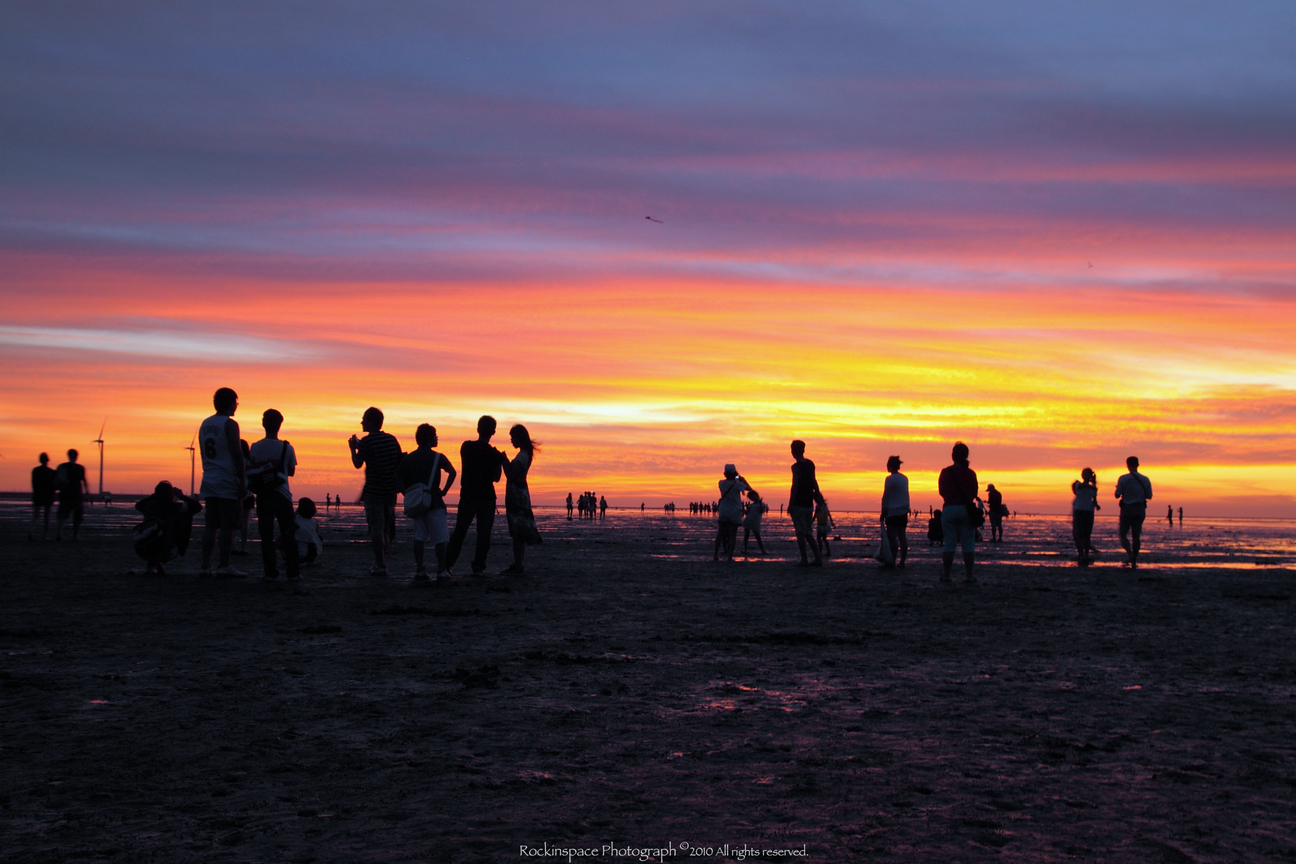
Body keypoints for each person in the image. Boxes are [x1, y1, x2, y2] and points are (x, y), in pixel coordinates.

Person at [395, 424, 457, 581]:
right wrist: (444, 490)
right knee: (441, 538)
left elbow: (397, 476)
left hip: (417, 504)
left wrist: (406, 493)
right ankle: (441, 570)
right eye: (435, 435)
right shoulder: (438, 457)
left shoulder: (410, 458)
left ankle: (420, 569)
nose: (437, 438)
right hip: (434, 501)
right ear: (429, 438)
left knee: (419, 537)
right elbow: (452, 472)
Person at [198, 388, 248, 576]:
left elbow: (203, 452)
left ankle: (206, 565)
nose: (237, 406)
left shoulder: (205, 423)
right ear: (230, 402)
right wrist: (242, 480)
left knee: (211, 524)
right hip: (226, 479)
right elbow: (237, 453)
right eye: (236, 402)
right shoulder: (230, 424)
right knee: (228, 525)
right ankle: (224, 565)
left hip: (209, 478)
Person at [446, 415, 504, 576]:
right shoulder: (494, 454)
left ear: (478, 429)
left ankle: (447, 564)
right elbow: (496, 478)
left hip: (468, 494)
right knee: (484, 534)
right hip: (486, 496)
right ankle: (478, 566)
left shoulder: (466, 447)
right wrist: (499, 460)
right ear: (493, 432)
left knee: (460, 531)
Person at [348, 406, 402, 576]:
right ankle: (381, 562)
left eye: (364, 419)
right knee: (385, 527)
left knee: (376, 528)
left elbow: (358, 463)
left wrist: (352, 448)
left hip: (374, 491)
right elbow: (398, 460)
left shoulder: (367, 441)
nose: (361, 422)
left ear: (371, 422)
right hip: (390, 490)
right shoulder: (391, 439)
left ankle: (380, 564)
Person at [248, 409, 299, 582]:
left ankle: (270, 572)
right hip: (283, 494)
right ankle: (293, 572)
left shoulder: (255, 447)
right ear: (280, 425)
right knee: (288, 534)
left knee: (266, 535)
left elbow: (253, 468)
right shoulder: (287, 447)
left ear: (263, 424)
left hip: (263, 494)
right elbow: (291, 471)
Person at [133, 481, 202, 574]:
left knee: (157, 539)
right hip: (167, 549)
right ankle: (159, 562)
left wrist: (155, 495)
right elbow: (197, 507)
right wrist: (181, 496)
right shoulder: (176, 507)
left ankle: (153, 564)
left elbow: (138, 505)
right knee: (169, 537)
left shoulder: (148, 506)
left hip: (142, 549)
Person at [500, 424, 542, 575]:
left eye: (513, 438)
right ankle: (518, 564)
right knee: (519, 531)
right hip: (520, 494)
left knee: (517, 531)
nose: (511, 441)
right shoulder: (524, 455)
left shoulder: (522, 456)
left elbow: (511, 476)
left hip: (517, 496)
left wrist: (504, 461)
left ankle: (518, 564)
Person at [938, 441, 978, 583]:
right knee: (968, 544)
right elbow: (974, 493)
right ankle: (969, 576)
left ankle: (946, 575)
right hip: (966, 510)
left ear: (953, 456)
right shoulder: (971, 473)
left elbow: (942, 491)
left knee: (949, 544)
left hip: (949, 508)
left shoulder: (946, 472)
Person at [788, 440, 823, 566]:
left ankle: (804, 559)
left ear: (793, 451)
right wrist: (818, 495)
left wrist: (791, 503)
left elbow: (795, 485)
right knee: (808, 532)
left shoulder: (795, 467)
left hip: (799, 502)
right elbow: (814, 481)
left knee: (800, 533)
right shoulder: (810, 464)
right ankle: (818, 558)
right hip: (809, 502)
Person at [1115, 456, 1153, 569]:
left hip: (1127, 508)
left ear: (1127, 465)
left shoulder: (1123, 479)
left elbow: (1117, 495)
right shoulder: (1145, 479)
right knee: (1136, 535)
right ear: (1138, 465)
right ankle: (1134, 557)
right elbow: (1149, 495)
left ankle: (1130, 554)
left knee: (1123, 534)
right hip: (1140, 508)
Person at [713, 464, 751, 560]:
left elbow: (730, 480)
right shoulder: (738, 484)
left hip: (724, 511)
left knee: (720, 533)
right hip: (735, 511)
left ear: (725, 474)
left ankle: (715, 555)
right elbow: (749, 488)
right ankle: (730, 556)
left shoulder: (721, 483)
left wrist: (736, 478)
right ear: (735, 473)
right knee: (732, 535)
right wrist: (741, 478)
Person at [53, 448, 90, 541]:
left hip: (64, 493)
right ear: (76, 456)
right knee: (77, 515)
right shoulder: (80, 468)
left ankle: (59, 533)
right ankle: (75, 535)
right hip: (76, 494)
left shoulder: (62, 466)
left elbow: (56, 480)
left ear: (68, 456)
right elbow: (84, 480)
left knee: (62, 515)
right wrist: (87, 492)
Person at [880, 455, 910, 568]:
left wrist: (883, 511)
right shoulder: (904, 478)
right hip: (903, 511)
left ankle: (892, 560)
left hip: (892, 511)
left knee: (892, 537)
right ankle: (902, 561)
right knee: (902, 536)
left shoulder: (890, 479)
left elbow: (886, 495)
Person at [1071, 468, 1101, 567]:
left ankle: (1086, 555)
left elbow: (1094, 498)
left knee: (1087, 534)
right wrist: (1093, 485)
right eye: (1084, 474)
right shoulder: (1078, 484)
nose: (1085, 475)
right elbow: (1080, 487)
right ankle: (1081, 554)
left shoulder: (1092, 488)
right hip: (1079, 510)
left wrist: (1096, 505)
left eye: (1087, 474)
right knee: (1079, 533)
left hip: (1089, 510)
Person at [29, 453, 56, 540]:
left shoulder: (35, 470)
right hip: (48, 495)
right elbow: (54, 485)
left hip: (38, 495)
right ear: (47, 461)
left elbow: (33, 484)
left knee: (36, 515)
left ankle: (31, 532)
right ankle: (45, 535)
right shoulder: (51, 472)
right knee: (46, 516)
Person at [235, 440, 253, 556]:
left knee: (232, 520)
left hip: (235, 493)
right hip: (248, 493)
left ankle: (232, 545)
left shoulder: (234, 461)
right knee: (245, 522)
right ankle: (244, 546)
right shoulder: (250, 461)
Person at [294, 498, 323, 564]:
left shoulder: (295, 521)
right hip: (309, 552)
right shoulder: (314, 523)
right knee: (318, 537)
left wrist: (295, 513)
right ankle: (311, 560)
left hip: (295, 552)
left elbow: (287, 522)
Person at [742, 489, 768, 555]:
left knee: (757, 536)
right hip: (748, 520)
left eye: (752, 497)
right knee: (746, 535)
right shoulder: (751, 505)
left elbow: (761, 511)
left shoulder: (762, 504)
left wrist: (760, 503)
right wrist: (743, 508)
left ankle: (763, 550)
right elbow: (747, 513)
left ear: (756, 495)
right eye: (750, 498)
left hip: (755, 522)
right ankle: (745, 550)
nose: (752, 498)